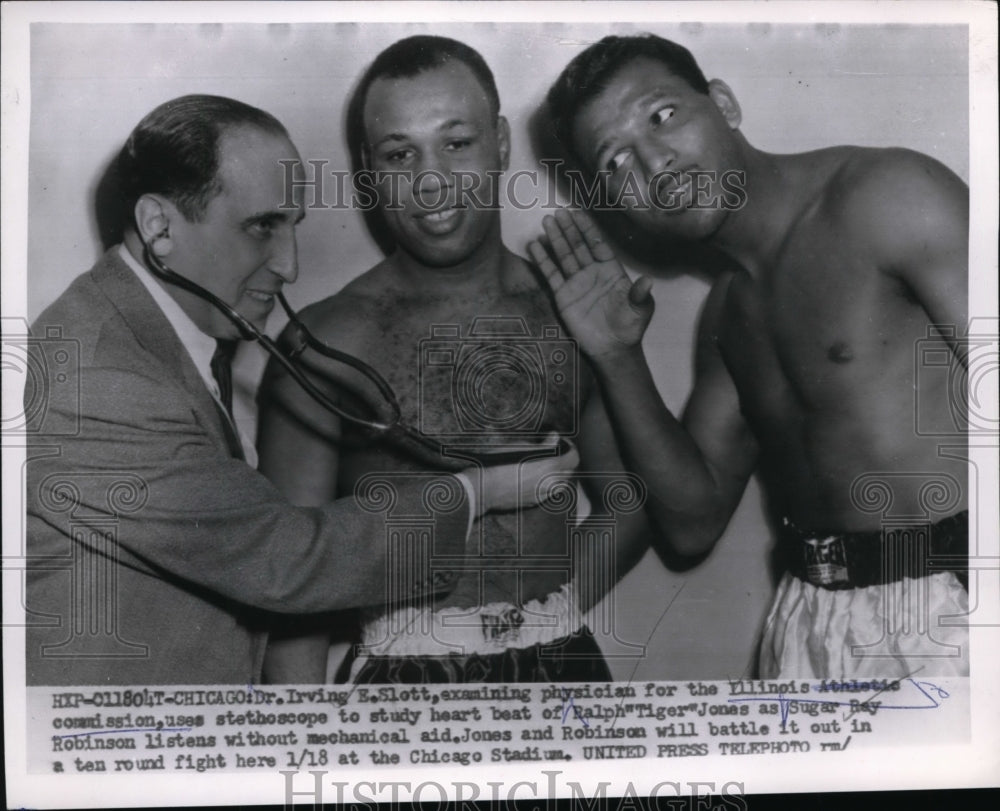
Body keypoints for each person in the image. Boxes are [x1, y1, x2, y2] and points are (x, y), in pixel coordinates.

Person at [24, 94, 573, 686]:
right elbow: (283, 559)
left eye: (293, 226)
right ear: (159, 226)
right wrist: (478, 493)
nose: (289, 265)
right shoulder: (95, 375)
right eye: (263, 226)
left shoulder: (155, 334)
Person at [530, 34, 969, 679]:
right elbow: (690, 525)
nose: (655, 164)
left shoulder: (889, 193)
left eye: (662, 117)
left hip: (958, 600)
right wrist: (619, 357)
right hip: (809, 618)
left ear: (725, 104)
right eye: (616, 159)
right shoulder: (729, 316)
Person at [257, 36, 648, 684]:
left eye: (456, 143)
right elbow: (289, 577)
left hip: (564, 661)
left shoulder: (574, 313)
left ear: (499, 142)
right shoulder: (328, 341)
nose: (431, 179)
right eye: (399, 153)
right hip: (401, 671)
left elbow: (628, 500)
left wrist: (550, 610)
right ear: (368, 170)